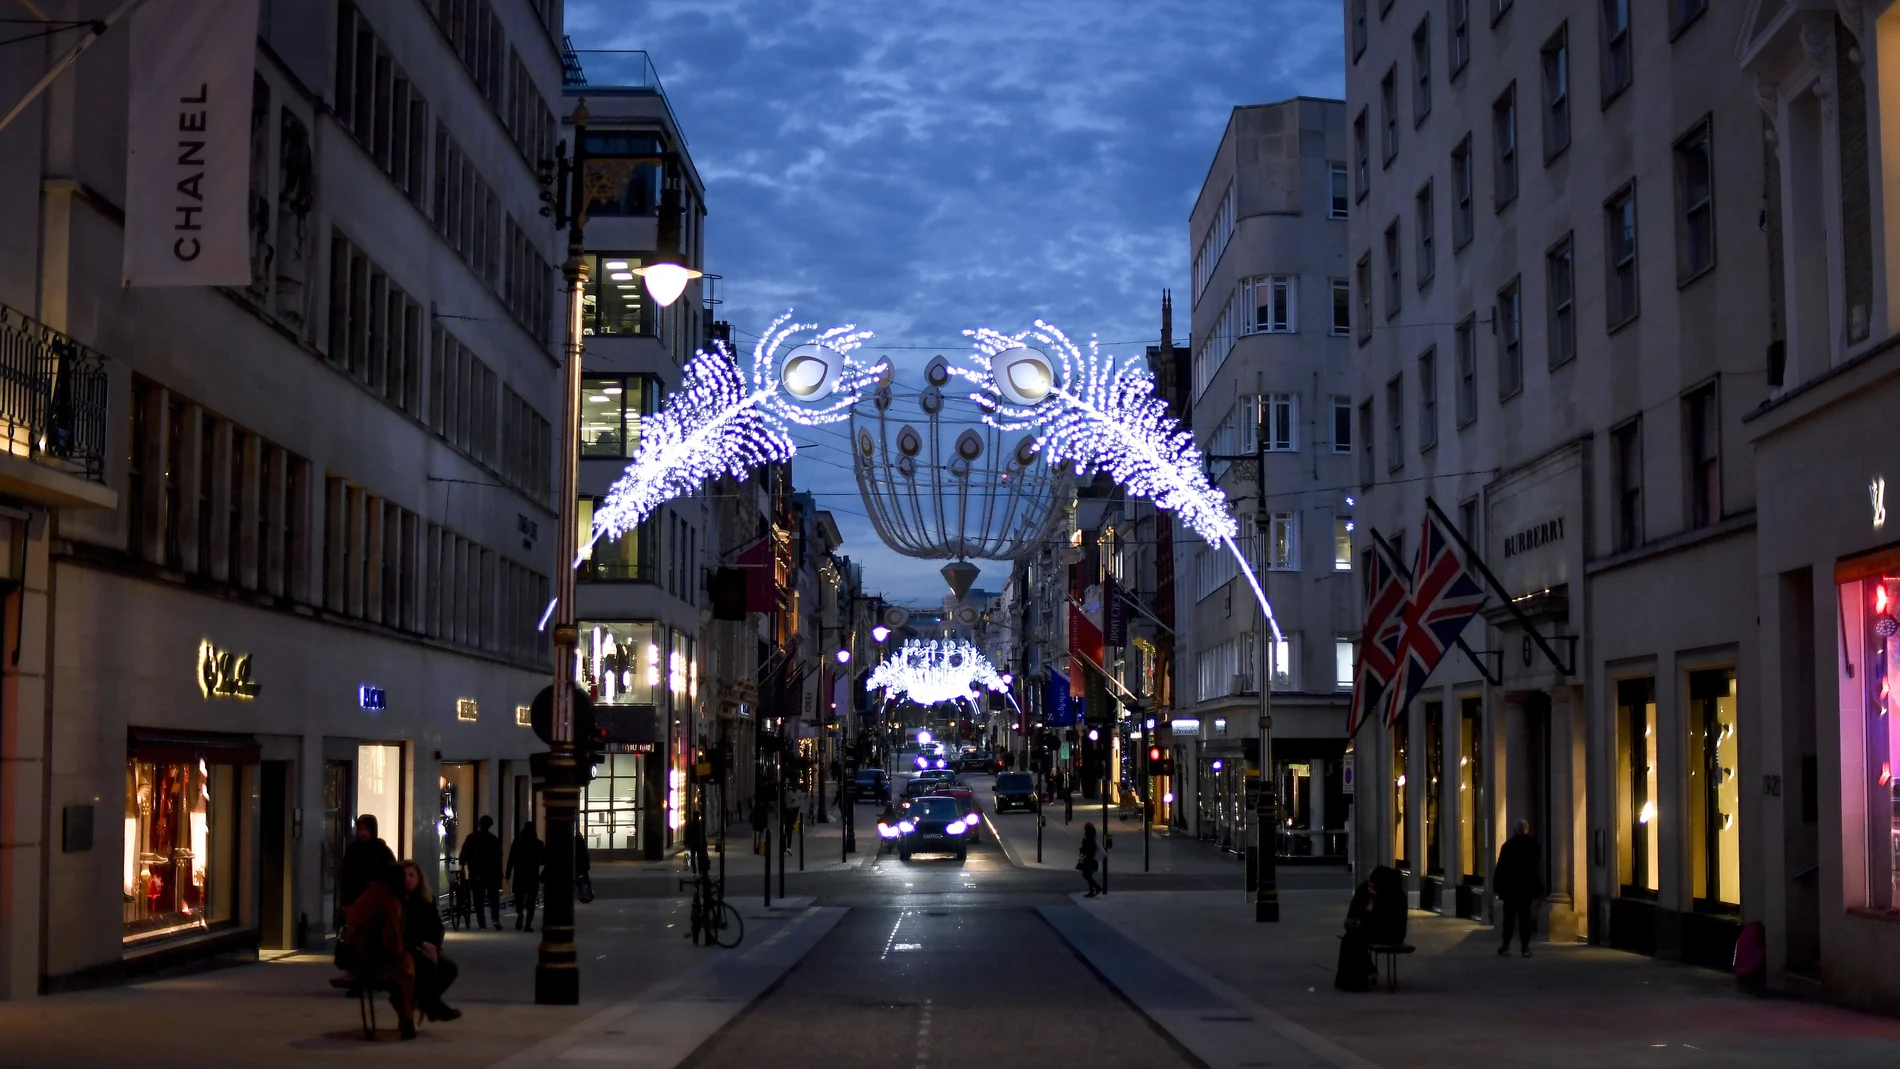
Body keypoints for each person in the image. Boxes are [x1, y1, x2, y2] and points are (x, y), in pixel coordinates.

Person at [342, 864, 416, 1040]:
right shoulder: (390, 900)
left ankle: (407, 1017)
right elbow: (393, 939)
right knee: (407, 974)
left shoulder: (366, 897)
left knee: (403, 973)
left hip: (355, 959)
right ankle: (407, 1019)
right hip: (376, 961)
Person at [397, 860, 462, 1022]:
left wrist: (433, 944)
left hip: (428, 946)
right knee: (425, 966)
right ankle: (433, 1006)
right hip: (408, 947)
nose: (408, 879)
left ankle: (428, 1002)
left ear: (419, 878)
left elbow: (437, 927)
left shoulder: (426, 899)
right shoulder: (398, 902)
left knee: (449, 968)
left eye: (412, 875)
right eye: (404, 876)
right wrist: (422, 944)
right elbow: (402, 931)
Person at [1494, 819, 1542, 958]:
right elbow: (1536, 868)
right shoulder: (1534, 845)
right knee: (1525, 917)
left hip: (1510, 887)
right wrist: (1537, 888)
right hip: (1526, 887)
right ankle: (1525, 947)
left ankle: (1506, 945)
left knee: (1509, 917)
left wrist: (1497, 886)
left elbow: (1501, 867)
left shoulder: (1508, 845)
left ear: (1516, 830)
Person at [339, 814, 396, 920]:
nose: (363, 833)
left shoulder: (381, 850)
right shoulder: (352, 850)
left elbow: (392, 874)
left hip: (377, 903)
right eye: (361, 829)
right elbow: (346, 877)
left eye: (366, 829)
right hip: (355, 901)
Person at [1334, 868, 1380, 992]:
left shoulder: (1384, 895)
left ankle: (1360, 978)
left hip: (1373, 930)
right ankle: (1351, 978)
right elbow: (1353, 911)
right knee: (1349, 940)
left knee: (1355, 941)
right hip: (1360, 927)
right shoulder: (1362, 892)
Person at [458, 815, 503, 931]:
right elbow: (498, 857)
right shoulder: (493, 839)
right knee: (493, 897)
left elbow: (464, 852)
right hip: (491, 872)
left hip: (476, 872)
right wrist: (500, 873)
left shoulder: (471, 838)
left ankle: (482, 923)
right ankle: (495, 918)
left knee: (478, 898)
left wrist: (462, 863)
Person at [505, 822, 544, 932]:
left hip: (519, 874)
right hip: (532, 875)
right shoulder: (538, 843)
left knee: (518, 898)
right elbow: (546, 858)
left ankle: (520, 913)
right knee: (531, 901)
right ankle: (528, 924)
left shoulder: (517, 843)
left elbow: (511, 859)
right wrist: (537, 862)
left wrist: (507, 874)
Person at [1078, 823, 1102, 897]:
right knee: (1088, 875)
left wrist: (1083, 850)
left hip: (1088, 859)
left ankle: (1097, 888)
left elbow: (1089, 849)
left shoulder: (1090, 837)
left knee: (1086, 874)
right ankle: (1092, 891)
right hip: (1087, 858)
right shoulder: (1090, 836)